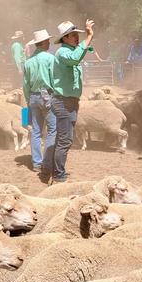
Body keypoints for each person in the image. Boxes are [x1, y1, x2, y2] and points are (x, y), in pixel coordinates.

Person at [44, 19, 95, 183]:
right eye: (73, 35)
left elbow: (25, 85)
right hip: (61, 101)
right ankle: (57, 175)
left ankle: (48, 168)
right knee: (62, 138)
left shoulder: (66, 52)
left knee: (44, 133)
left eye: (76, 35)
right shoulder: (63, 53)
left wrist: (87, 45)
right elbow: (74, 59)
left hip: (50, 99)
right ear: (65, 38)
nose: (76, 38)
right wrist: (89, 38)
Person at [23, 29, 57, 174]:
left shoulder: (28, 61)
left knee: (36, 131)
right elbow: (55, 80)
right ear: (42, 43)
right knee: (52, 130)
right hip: (47, 96)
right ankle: (47, 162)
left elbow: (25, 85)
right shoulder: (50, 58)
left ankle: (36, 163)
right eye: (48, 41)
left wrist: (28, 101)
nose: (49, 42)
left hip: (33, 97)